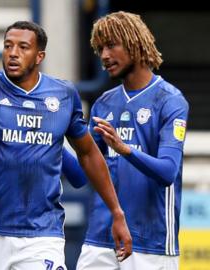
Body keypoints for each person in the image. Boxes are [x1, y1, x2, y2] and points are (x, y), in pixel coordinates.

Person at [0, 20, 132, 270]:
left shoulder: (63, 94)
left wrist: (117, 212)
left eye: (23, 47)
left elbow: (87, 153)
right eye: (8, 46)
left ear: (39, 56)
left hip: (43, 233)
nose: (13, 53)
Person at [73, 11, 189, 270]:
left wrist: (124, 149)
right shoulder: (104, 103)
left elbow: (168, 172)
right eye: (99, 48)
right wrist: (51, 142)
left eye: (111, 45)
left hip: (151, 240)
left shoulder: (170, 100)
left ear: (135, 43)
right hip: (101, 237)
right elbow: (82, 174)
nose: (104, 56)